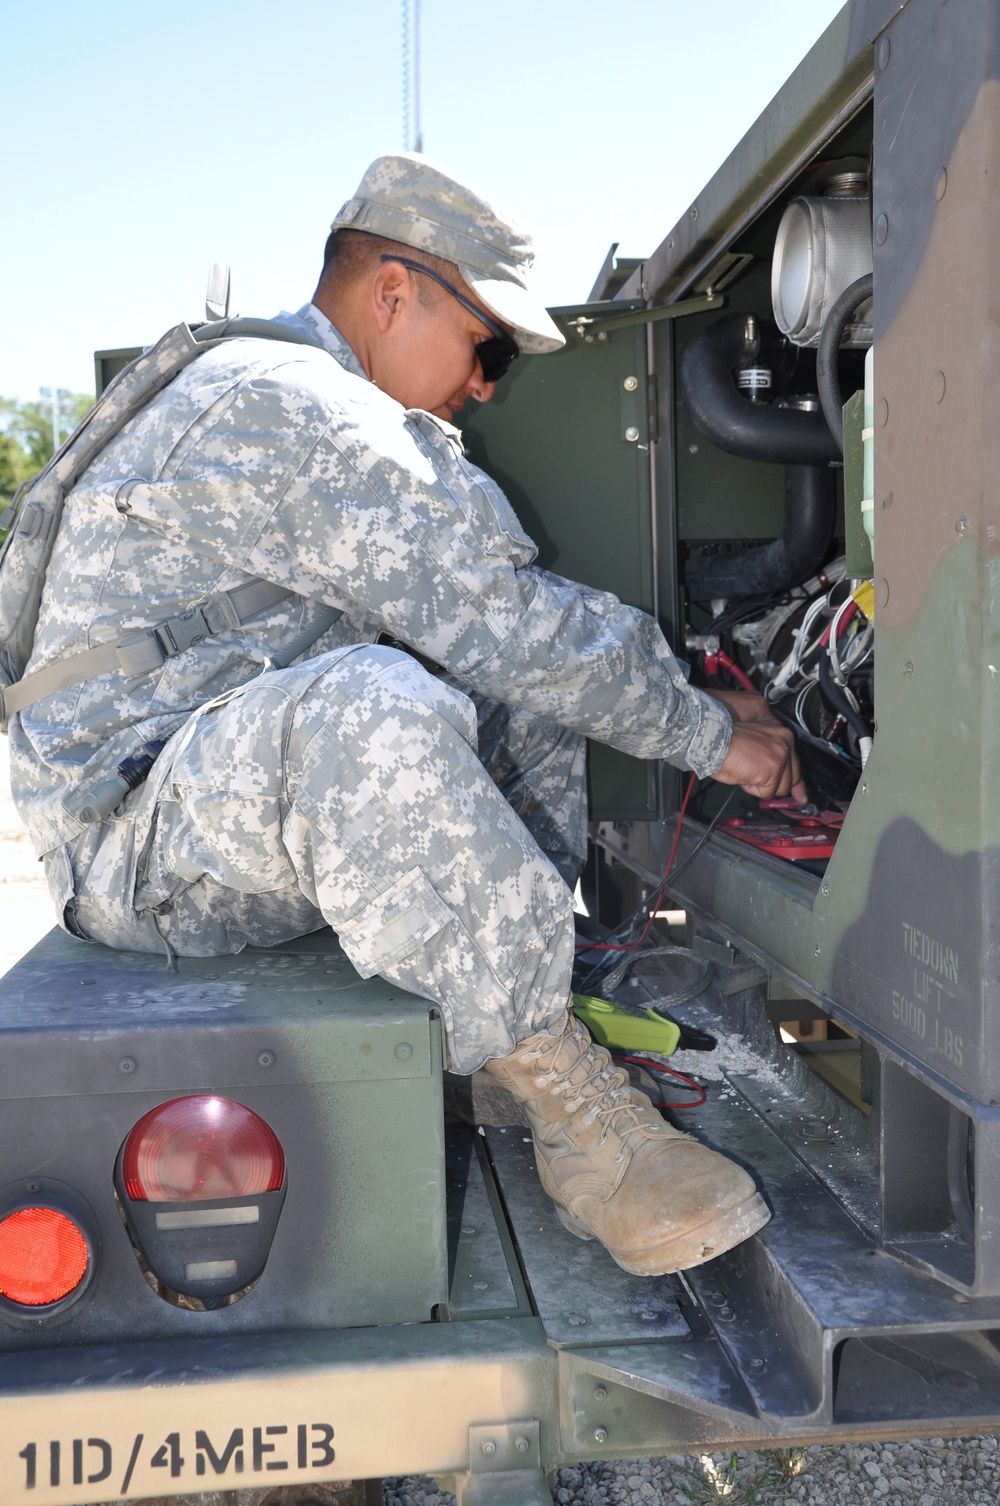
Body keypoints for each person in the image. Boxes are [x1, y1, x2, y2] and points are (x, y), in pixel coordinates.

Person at [9, 154, 804, 1277]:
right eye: (486, 347)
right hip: (139, 848)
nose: (485, 385)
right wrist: (714, 736)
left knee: (491, 684)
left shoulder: (289, 392)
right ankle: (583, 1128)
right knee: (380, 706)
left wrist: (684, 698)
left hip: (217, 798)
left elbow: (509, 637)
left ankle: (514, 1009)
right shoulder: (291, 405)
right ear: (393, 293)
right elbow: (506, 616)